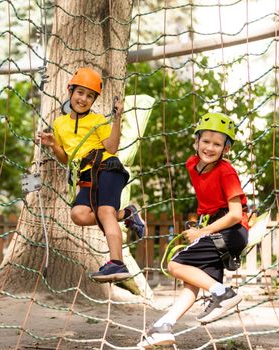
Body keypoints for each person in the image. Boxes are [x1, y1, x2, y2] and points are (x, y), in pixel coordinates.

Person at [139, 112, 249, 348]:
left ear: (225, 149)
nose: (210, 147)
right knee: (194, 280)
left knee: (175, 265)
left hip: (230, 231)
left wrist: (202, 232)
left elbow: (235, 214)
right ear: (196, 142)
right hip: (216, 230)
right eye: (206, 141)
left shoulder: (226, 171)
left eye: (217, 144)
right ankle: (164, 326)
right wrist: (202, 224)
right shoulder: (192, 165)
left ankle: (225, 293)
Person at [37, 67, 145, 283]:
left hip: (107, 169)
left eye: (89, 96)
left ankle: (117, 263)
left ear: (94, 100)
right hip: (85, 178)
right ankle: (127, 214)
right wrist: (52, 145)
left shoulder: (97, 121)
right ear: (70, 91)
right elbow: (66, 159)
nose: (83, 99)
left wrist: (117, 119)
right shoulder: (60, 124)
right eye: (80, 93)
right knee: (78, 215)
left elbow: (112, 148)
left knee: (105, 211)